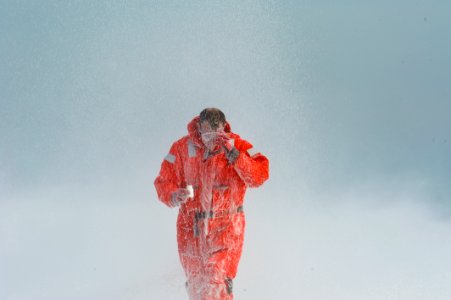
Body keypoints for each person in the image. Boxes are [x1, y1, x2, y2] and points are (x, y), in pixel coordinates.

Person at [154, 108, 269, 299]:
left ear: (224, 129)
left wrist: (236, 157)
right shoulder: (181, 148)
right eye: (207, 133)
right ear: (199, 128)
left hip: (227, 228)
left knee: (217, 281)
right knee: (197, 286)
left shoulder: (238, 146)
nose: (212, 139)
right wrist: (174, 194)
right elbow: (162, 181)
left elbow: (260, 174)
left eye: (217, 134)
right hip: (189, 229)